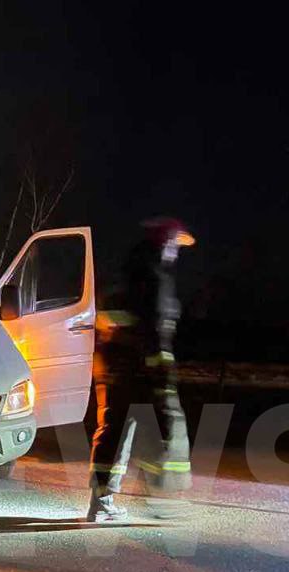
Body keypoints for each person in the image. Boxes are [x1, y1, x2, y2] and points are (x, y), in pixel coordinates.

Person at [87, 217, 196, 522]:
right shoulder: (155, 280)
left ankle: (101, 501)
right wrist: (162, 378)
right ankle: (162, 498)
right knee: (163, 432)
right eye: (174, 245)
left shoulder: (124, 277)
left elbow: (113, 324)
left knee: (114, 433)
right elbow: (155, 335)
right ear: (163, 245)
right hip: (141, 374)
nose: (176, 252)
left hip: (114, 371)